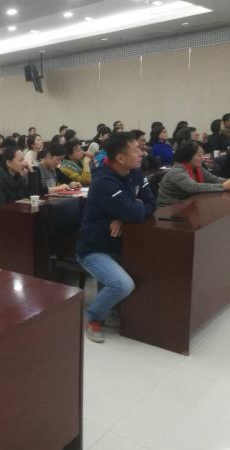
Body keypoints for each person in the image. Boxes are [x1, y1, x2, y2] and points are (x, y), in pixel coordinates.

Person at [77, 132, 156, 343]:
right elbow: (134, 212)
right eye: (136, 150)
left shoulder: (134, 172)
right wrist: (130, 211)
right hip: (94, 249)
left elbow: (151, 203)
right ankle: (92, 318)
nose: (142, 153)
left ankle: (114, 308)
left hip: (122, 245)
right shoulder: (104, 181)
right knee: (122, 285)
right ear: (121, 158)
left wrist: (125, 216)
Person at [157, 141, 230, 207]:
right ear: (188, 156)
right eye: (199, 155)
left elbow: (214, 179)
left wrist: (227, 182)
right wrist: (223, 186)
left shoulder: (196, 167)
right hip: (169, 208)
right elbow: (194, 187)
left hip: (188, 203)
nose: (202, 158)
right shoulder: (177, 171)